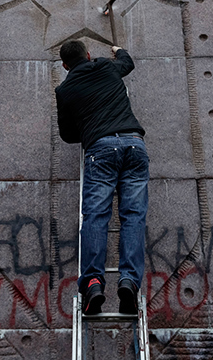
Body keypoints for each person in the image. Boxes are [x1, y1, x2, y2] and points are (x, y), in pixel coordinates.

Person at [55, 40, 149, 315]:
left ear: (64, 66)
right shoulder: (107, 67)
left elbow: (67, 135)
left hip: (100, 149)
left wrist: (87, 127)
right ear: (87, 55)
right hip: (134, 144)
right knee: (133, 217)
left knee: (96, 217)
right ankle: (129, 281)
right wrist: (119, 51)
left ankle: (94, 283)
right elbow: (127, 64)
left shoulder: (65, 90)